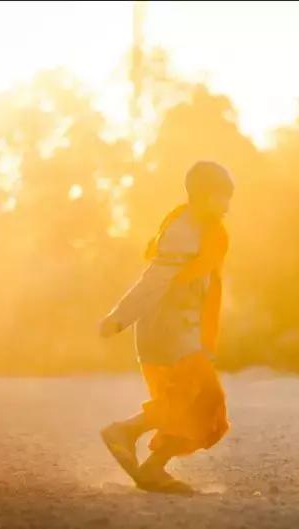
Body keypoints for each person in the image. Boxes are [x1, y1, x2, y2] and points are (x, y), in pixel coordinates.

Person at [98, 161, 233, 494]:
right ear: (201, 196)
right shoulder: (182, 233)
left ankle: (152, 468)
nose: (226, 205)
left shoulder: (207, 230)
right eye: (221, 197)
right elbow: (153, 281)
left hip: (184, 331)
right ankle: (125, 433)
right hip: (166, 329)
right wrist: (119, 316)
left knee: (204, 403)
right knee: (199, 397)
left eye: (228, 198)